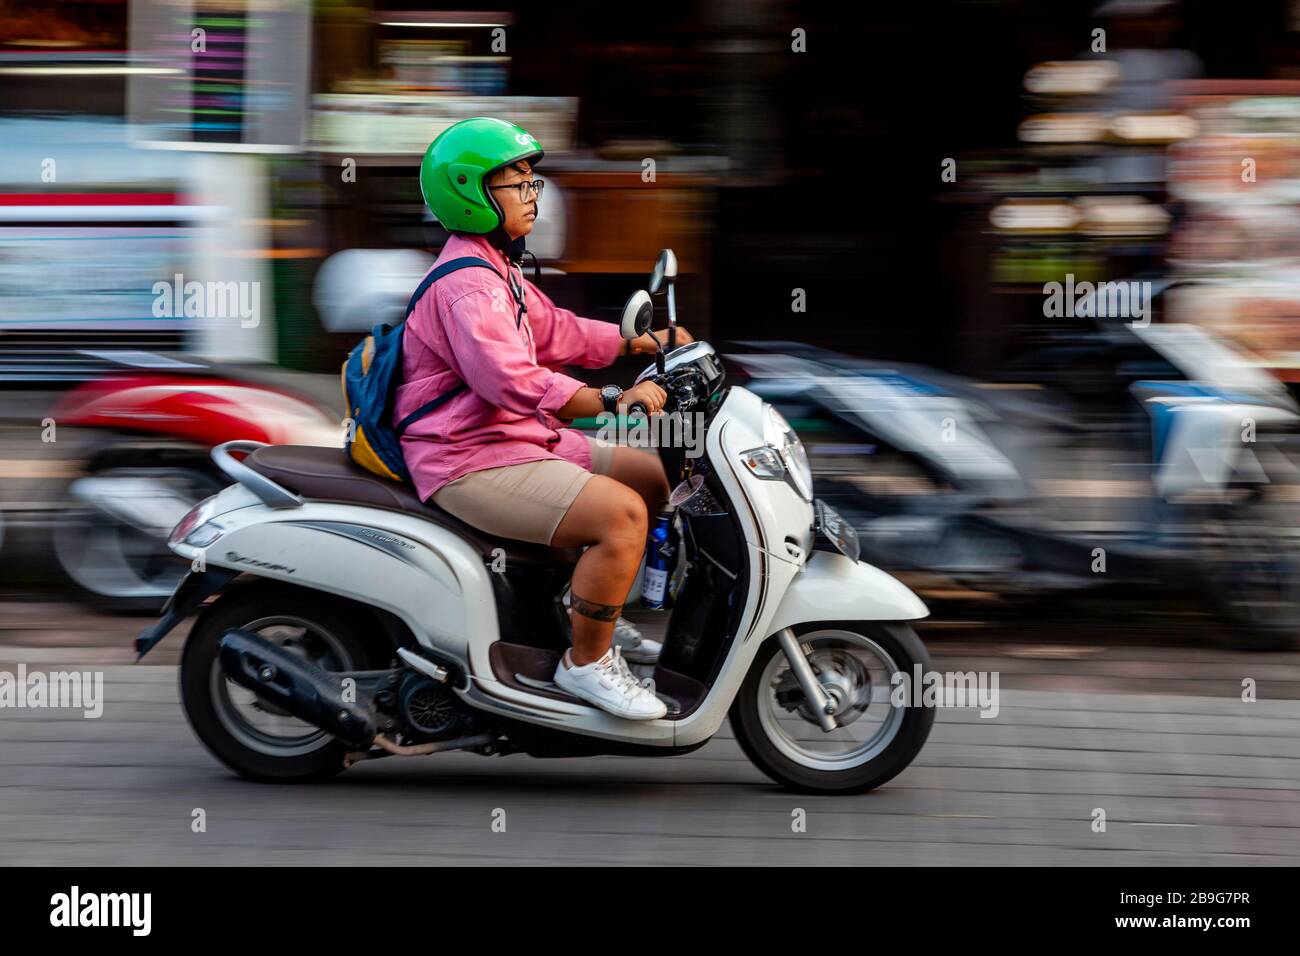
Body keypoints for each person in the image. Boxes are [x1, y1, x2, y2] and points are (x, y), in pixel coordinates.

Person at [398, 117, 693, 720]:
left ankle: (595, 616)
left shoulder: (494, 267)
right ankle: (585, 663)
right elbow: (509, 380)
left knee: (650, 475)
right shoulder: (467, 288)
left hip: (513, 440)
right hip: (467, 458)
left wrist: (638, 341)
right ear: (470, 193)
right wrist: (612, 401)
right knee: (623, 515)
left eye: (534, 180)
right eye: (517, 183)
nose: (534, 194)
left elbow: (556, 329)